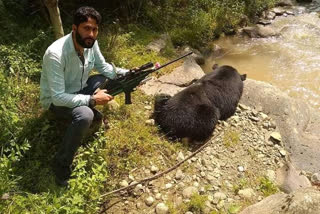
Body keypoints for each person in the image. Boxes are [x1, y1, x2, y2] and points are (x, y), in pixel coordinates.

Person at [40, 6, 128, 187]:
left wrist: (129, 74)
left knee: (105, 78)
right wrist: (92, 100)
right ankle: (61, 165)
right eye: (86, 28)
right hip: (57, 100)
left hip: (79, 88)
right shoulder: (55, 54)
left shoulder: (91, 43)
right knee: (85, 115)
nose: (91, 34)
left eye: (94, 29)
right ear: (74, 28)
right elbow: (58, 97)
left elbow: (104, 68)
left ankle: (88, 110)